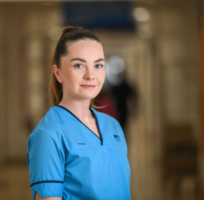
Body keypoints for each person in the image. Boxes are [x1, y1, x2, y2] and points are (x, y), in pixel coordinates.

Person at [27, 26, 131, 200]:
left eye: (98, 65)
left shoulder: (113, 126)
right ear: (58, 73)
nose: (91, 75)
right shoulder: (49, 134)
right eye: (79, 65)